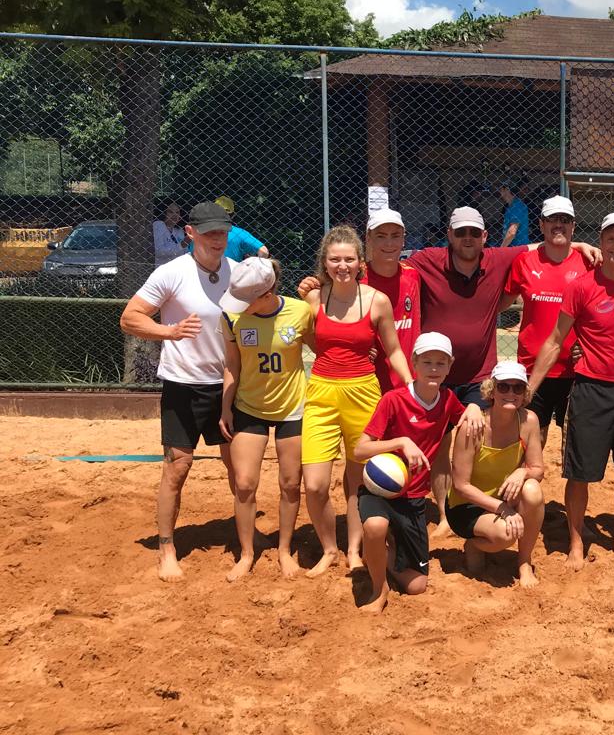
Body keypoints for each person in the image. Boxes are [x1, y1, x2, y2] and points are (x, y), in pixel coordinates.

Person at [403, 207, 600, 524]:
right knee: (440, 446)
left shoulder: (496, 259)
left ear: (484, 237)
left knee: (483, 439)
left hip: (478, 374)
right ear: (450, 235)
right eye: (460, 232)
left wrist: (578, 244)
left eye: (474, 232)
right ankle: (444, 515)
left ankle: (487, 505)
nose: (467, 238)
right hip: (437, 373)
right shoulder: (427, 259)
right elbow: (386, 266)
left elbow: (541, 245)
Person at [120, 200, 236, 582]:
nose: (217, 239)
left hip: (227, 386)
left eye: (222, 231)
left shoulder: (237, 272)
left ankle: (246, 535)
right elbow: (130, 318)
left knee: (239, 467)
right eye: (209, 232)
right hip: (182, 385)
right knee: (178, 467)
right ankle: (167, 548)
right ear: (190, 233)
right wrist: (169, 332)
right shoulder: (171, 273)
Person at [530, 211, 614, 570]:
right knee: (579, 473)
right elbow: (555, 340)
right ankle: (576, 542)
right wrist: (530, 389)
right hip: (589, 389)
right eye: (611, 238)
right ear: (601, 241)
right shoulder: (581, 286)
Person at [301, 225, 413, 578]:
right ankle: (329, 549)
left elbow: (393, 350)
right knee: (315, 484)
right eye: (335, 260)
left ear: (361, 262)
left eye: (349, 259)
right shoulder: (313, 299)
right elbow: (306, 338)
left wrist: (411, 386)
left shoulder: (377, 301)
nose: (342, 266)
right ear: (325, 262)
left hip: (363, 393)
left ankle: (353, 549)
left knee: (358, 480)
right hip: (321, 393)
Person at [353, 333, 464, 613]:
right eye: (427, 361)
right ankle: (379, 589)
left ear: (450, 366)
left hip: (413, 496)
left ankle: (379, 553)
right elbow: (360, 450)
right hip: (380, 489)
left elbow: (466, 418)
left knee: (417, 586)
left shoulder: (448, 400)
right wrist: (400, 442)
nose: (433, 369)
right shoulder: (393, 399)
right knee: (375, 525)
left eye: (440, 363)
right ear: (413, 362)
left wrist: (474, 407)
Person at [218, 257, 311, 582]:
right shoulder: (231, 316)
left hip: (293, 409)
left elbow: (323, 349)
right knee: (244, 484)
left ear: (267, 293)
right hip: (248, 407)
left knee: (290, 484)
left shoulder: (300, 312)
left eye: (246, 299)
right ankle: (247, 554)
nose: (238, 304)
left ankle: (284, 550)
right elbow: (232, 364)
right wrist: (225, 407)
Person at [448, 360, 546, 588]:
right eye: (503, 387)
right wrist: (502, 508)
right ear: (491, 391)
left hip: (503, 497)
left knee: (532, 490)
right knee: (505, 535)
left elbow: (538, 470)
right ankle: (474, 545)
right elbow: (461, 485)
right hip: (467, 505)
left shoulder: (529, 420)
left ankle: (524, 562)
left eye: (518, 388)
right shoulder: (474, 426)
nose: (511, 393)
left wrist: (522, 472)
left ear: (524, 393)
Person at [503, 195, 588, 443]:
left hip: (574, 370)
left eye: (565, 220)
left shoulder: (590, 261)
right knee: (531, 444)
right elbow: (500, 304)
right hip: (532, 369)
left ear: (573, 226)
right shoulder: (524, 262)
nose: (558, 224)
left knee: (572, 447)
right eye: (552, 219)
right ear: (541, 224)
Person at [360, 208, 422, 391]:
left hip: (408, 381)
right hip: (368, 384)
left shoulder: (413, 276)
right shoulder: (356, 280)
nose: (389, 243)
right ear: (368, 238)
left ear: (403, 239)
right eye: (381, 236)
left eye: (395, 236)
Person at [215, 195, 269, 261]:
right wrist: (250, 264)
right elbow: (264, 252)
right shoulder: (239, 233)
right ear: (233, 215)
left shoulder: (204, 231)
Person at [152, 200, 186, 266]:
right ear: (163, 212)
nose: (175, 215)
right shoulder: (159, 225)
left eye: (177, 212)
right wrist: (181, 245)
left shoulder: (179, 230)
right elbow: (159, 252)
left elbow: (184, 252)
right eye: (170, 212)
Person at [497, 181, 530, 247]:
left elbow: (512, 232)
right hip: (513, 246)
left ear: (507, 190)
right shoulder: (510, 206)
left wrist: (502, 248)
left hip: (518, 247)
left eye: (501, 189)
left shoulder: (517, 206)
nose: (499, 192)